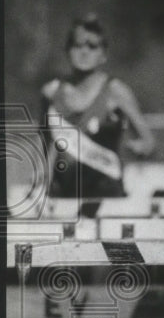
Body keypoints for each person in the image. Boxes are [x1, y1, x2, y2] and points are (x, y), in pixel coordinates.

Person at [42, 14, 156, 205]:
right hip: (62, 196)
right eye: (77, 45)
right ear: (67, 50)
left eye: (92, 46)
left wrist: (139, 148)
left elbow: (149, 141)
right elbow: (44, 147)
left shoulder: (115, 91)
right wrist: (40, 179)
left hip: (106, 197)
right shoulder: (50, 92)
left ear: (103, 55)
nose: (84, 52)